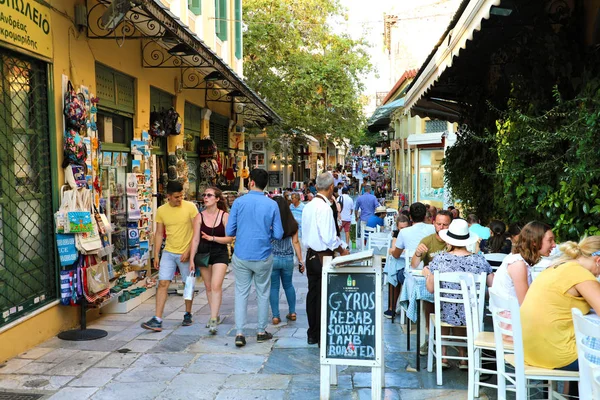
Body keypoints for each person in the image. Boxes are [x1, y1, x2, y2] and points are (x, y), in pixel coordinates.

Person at [521, 236, 600, 398]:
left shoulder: (558, 266)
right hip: (555, 354)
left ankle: (571, 395)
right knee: (588, 348)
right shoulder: (581, 275)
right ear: (598, 260)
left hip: (530, 350)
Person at [424, 219, 493, 368]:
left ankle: (443, 357)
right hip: (472, 314)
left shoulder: (440, 260)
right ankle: (463, 357)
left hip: (446, 313)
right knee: (461, 308)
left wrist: (428, 274)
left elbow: (430, 289)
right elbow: (492, 285)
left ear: (449, 240)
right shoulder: (480, 260)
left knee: (446, 306)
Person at [226, 169, 284, 347]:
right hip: (263, 254)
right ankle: (260, 330)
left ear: (251, 182)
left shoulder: (239, 202)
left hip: (242, 254)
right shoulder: (272, 204)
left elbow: (229, 231)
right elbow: (279, 234)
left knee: (241, 293)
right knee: (263, 292)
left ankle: (240, 333)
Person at [142, 181, 198, 332]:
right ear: (168, 197)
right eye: (176, 197)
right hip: (168, 251)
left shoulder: (190, 208)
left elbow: (196, 231)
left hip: (185, 251)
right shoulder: (161, 210)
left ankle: (187, 313)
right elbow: (159, 233)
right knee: (162, 283)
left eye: (181, 196)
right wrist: (156, 255)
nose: (179, 199)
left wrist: (189, 250)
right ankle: (157, 319)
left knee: (188, 284)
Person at [302, 172, 349, 345]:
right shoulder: (324, 208)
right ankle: (322, 334)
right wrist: (342, 249)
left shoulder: (308, 206)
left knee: (313, 294)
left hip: (310, 255)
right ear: (330, 188)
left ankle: (312, 333)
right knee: (323, 296)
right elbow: (329, 237)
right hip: (322, 256)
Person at [189, 187, 233, 334]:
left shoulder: (224, 216)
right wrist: (191, 260)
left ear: (217, 199)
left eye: (209, 195)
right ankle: (214, 313)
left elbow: (230, 238)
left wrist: (212, 238)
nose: (205, 197)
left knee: (216, 285)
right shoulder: (199, 217)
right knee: (208, 287)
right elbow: (195, 239)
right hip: (203, 253)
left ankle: (213, 318)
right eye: (204, 195)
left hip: (220, 253)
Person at [491, 221, 555, 305]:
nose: (554, 245)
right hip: (514, 315)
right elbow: (525, 304)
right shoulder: (518, 264)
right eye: (550, 240)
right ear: (534, 242)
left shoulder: (516, 258)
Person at [270, 196, 304, 325]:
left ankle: (275, 316)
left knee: (274, 287)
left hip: (273, 258)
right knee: (289, 285)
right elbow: (295, 242)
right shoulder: (292, 223)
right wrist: (301, 260)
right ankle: (292, 312)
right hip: (288, 258)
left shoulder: (269, 222)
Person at [383, 214, 411, 318]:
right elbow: (393, 249)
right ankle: (392, 307)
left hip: (409, 266)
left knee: (395, 271)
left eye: (405, 228)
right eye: (401, 228)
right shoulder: (397, 234)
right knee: (395, 271)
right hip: (402, 263)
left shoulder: (410, 234)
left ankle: (392, 308)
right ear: (397, 227)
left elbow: (394, 252)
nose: (403, 230)